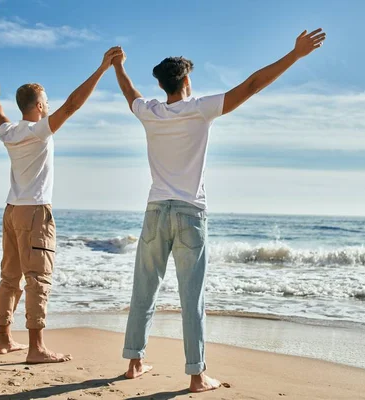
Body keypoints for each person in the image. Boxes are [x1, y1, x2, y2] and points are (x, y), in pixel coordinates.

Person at [112, 28, 326, 391]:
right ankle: (196, 375)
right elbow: (253, 84)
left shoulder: (150, 112)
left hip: (154, 211)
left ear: (163, 85)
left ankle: (134, 361)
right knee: (191, 298)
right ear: (186, 83)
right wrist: (295, 55)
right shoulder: (200, 108)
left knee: (144, 289)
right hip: (189, 214)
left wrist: (118, 66)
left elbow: (129, 93)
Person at [0, 46, 123, 364]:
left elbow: (0, 118)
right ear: (39, 105)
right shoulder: (39, 131)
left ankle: (4, 340)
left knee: (9, 277)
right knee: (37, 278)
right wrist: (102, 69)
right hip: (35, 212)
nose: (50, 104)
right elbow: (73, 104)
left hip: (11, 211)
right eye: (46, 100)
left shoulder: (9, 132)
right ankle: (36, 348)